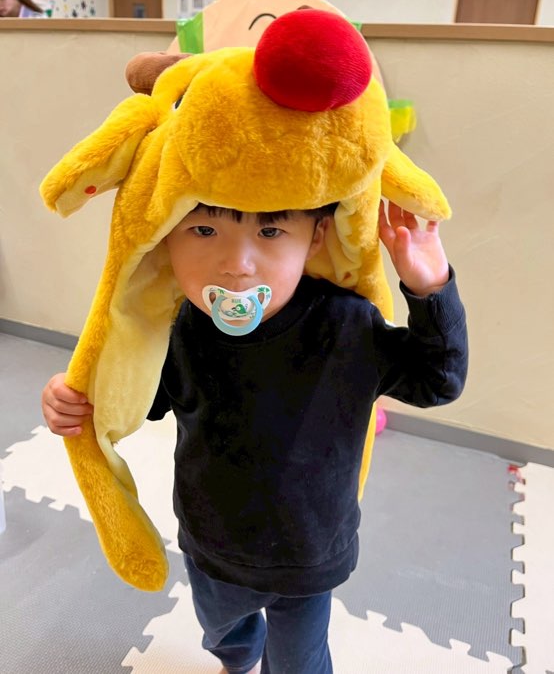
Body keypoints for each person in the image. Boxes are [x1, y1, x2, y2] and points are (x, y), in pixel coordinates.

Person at [42, 199, 468, 674]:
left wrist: (430, 288)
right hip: (212, 545)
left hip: (309, 553)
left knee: (299, 665)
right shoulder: (178, 327)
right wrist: (76, 399)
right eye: (204, 231)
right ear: (167, 238)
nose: (237, 265)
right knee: (225, 637)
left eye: (269, 233)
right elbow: (133, 400)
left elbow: (438, 381)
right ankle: (238, 659)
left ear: (316, 237)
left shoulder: (347, 323)